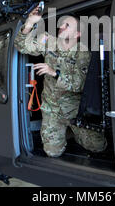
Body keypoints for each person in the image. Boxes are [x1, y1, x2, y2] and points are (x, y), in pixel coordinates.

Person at [14, 8, 107, 157]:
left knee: (98, 146)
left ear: (77, 34)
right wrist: (29, 24)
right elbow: (22, 46)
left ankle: (73, 132)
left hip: (74, 110)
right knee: (52, 152)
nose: (61, 27)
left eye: (67, 26)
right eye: (61, 24)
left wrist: (54, 73)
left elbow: (81, 84)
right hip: (52, 108)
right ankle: (63, 134)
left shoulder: (83, 53)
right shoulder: (49, 41)